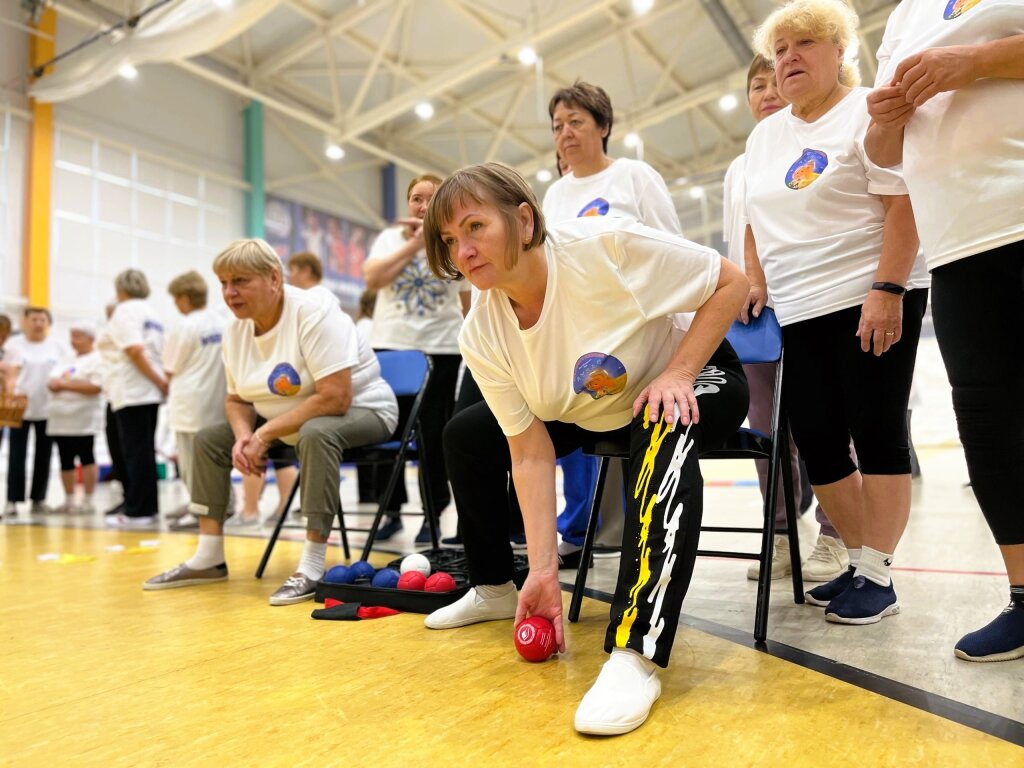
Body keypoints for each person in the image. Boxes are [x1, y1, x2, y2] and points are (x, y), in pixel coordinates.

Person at [421, 163, 749, 735]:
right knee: (466, 434)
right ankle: (497, 586)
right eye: (451, 240)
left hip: (693, 374)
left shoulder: (608, 248)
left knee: (661, 418)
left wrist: (678, 371)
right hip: (589, 405)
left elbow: (732, 282)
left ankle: (635, 650)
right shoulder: (482, 331)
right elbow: (529, 451)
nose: (464, 251)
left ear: (523, 220)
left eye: (475, 227)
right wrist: (544, 570)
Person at [743, 0, 931, 624]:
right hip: (800, 308)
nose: (789, 58)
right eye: (780, 50)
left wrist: (888, 288)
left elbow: (903, 204)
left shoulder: (865, 109)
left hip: (866, 294)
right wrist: (755, 278)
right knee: (818, 438)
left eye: (804, 44)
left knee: (876, 431)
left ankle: (878, 574)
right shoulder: (766, 134)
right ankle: (857, 560)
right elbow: (755, 217)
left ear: (839, 50)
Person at [864, 0, 1024, 660]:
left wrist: (978, 60)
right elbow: (881, 156)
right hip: (956, 247)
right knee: (988, 427)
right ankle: (1023, 596)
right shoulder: (905, 16)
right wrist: (884, 122)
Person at [144, 238, 398, 605]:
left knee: (316, 433)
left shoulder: (313, 310)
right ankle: (209, 557)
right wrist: (244, 435)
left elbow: (335, 396)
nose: (229, 293)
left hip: (365, 410)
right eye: (224, 283)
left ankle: (312, 565)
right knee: (208, 439)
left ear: (274, 279)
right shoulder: (235, 329)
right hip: (285, 423)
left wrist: (263, 434)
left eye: (240, 281)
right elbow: (236, 399)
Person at [543, 79, 685, 568]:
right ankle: (578, 527)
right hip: (581, 334)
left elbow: (673, 248)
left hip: (636, 331)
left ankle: (639, 531)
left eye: (576, 121)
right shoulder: (554, 196)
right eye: (558, 125)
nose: (565, 133)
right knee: (563, 410)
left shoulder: (634, 177)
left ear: (603, 126)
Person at [722, 54, 849, 584]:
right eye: (756, 86)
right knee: (765, 425)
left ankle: (838, 533)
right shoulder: (741, 164)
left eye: (774, 82)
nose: (767, 92)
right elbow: (737, 238)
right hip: (754, 314)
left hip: (811, 300)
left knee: (828, 421)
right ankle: (778, 533)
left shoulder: (811, 148)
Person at [363, 174, 471, 543]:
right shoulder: (389, 238)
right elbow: (373, 279)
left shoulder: (454, 239)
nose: (422, 206)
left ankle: (433, 514)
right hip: (391, 345)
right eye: (416, 198)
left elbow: (468, 300)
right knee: (387, 429)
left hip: (440, 349)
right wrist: (413, 246)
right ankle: (389, 510)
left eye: (431, 198)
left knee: (432, 437)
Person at [99, 270, 166, 527]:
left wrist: (158, 380)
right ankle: (144, 506)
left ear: (119, 289)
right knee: (143, 451)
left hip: (132, 389)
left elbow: (134, 350)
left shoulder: (125, 310)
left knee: (135, 452)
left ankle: (139, 511)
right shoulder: (152, 312)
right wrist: (159, 381)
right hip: (147, 390)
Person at [162, 271, 229, 528]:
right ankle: (220, 503)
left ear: (184, 298)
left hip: (189, 402)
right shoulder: (221, 322)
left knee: (190, 462)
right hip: (216, 399)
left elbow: (170, 367)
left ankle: (200, 508)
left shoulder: (185, 326)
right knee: (216, 461)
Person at [3, 307, 65, 517]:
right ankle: (12, 500)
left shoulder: (56, 346)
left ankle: (39, 499)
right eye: (34, 319)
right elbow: (10, 373)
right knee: (16, 454)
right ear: (25, 322)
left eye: (42, 319)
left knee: (44, 455)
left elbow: (64, 373)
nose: (38, 323)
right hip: (19, 408)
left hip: (48, 408)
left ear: (48, 323)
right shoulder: (14, 345)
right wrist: (11, 393)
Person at [45, 321, 103, 514]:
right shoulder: (67, 359)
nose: (74, 341)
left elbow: (95, 386)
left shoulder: (97, 359)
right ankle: (69, 499)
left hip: (83, 418)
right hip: (60, 418)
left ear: (91, 339)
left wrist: (65, 385)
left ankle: (88, 500)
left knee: (86, 456)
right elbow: (52, 380)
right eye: (72, 336)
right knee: (65, 458)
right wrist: (63, 384)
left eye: (78, 336)